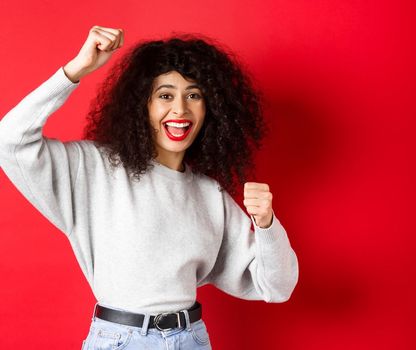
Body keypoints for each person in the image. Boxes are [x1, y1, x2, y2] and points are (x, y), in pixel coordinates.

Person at [0, 25, 299, 349]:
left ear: (210, 109)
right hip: (120, 340)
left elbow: (277, 287)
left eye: (194, 95)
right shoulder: (95, 169)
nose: (180, 110)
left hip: (191, 339)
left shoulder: (209, 194)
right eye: (166, 95)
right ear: (142, 104)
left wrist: (266, 223)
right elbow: (10, 141)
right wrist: (76, 70)